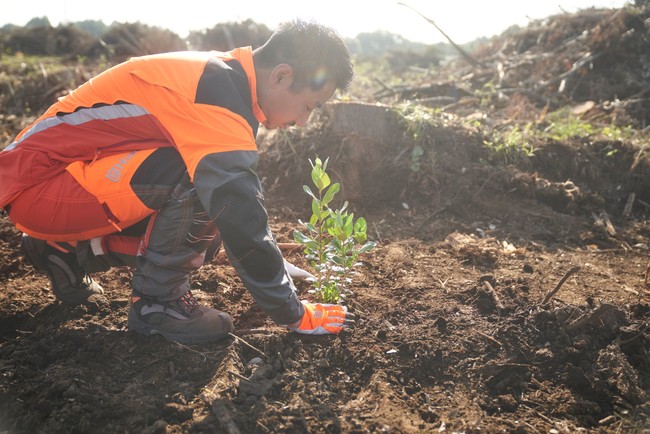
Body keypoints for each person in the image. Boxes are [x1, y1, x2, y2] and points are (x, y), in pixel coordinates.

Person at [0, 20, 356, 344]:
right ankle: (160, 305)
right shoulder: (217, 94)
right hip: (44, 186)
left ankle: (66, 252)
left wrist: (272, 262)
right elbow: (239, 210)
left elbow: (236, 213)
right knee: (204, 187)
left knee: (206, 222)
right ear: (281, 76)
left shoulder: (223, 76)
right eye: (309, 106)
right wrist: (293, 312)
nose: (302, 123)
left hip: (56, 185)